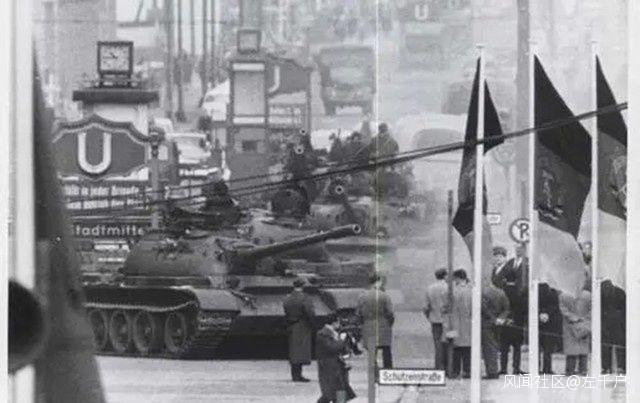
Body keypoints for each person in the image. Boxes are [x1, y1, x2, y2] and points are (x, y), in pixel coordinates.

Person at [492, 244, 528, 375]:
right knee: (514, 344)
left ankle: (504, 368)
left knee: (506, 344)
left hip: (507, 316)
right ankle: (514, 368)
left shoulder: (504, 290)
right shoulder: (518, 291)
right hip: (514, 317)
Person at [315, 314, 357, 403]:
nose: (339, 324)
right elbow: (332, 348)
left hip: (336, 366)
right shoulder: (323, 334)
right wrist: (341, 340)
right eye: (338, 322)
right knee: (333, 392)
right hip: (329, 366)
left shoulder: (332, 333)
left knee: (337, 391)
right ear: (334, 323)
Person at [356, 273, 395, 369]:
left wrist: (362, 325)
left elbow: (358, 313)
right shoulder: (384, 296)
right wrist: (389, 323)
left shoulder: (362, 296)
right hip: (383, 325)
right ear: (378, 282)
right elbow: (390, 313)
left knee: (372, 352)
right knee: (386, 351)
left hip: (368, 325)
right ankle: (388, 371)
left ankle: (373, 371)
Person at [283, 278, 316, 382]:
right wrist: (313, 324)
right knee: (301, 351)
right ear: (303, 286)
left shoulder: (288, 297)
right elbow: (309, 312)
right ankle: (298, 375)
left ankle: (295, 374)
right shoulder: (305, 298)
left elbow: (285, 309)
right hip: (302, 325)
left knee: (294, 351)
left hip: (291, 324)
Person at [559, 282, 591, 375]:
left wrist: (572, 317)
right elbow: (592, 309)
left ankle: (570, 370)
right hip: (584, 323)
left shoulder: (563, 295)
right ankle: (583, 369)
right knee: (583, 347)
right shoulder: (588, 295)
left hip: (570, 324)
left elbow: (563, 309)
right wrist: (585, 319)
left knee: (571, 348)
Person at [481, 276, 510, 379]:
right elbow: (506, 308)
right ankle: (493, 369)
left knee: (488, 348)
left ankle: (491, 371)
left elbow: (484, 308)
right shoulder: (502, 293)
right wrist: (500, 318)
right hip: (498, 324)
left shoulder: (483, 292)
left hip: (486, 323)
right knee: (494, 346)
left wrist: (493, 319)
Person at [445, 269, 472, 378]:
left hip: (456, 322)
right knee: (467, 349)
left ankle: (456, 371)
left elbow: (449, 307)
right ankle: (467, 370)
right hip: (467, 323)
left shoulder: (455, 291)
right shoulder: (471, 290)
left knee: (456, 348)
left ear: (458, 278)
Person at [424, 268, 449, 371]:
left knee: (437, 344)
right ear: (445, 276)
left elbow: (426, 307)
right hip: (447, 320)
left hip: (434, 320)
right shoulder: (448, 288)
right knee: (448, 343)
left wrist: (429, 316)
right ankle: (448, 367)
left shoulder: (430, 288)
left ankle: (438, 366)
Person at [601, 279, 626, 374]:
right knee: (609, 346)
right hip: (613, 322)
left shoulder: (619, 293)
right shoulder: (619, 292)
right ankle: (616, 367)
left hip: (614, 322)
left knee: (614, 346)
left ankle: (614, 367)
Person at [538, 282, 562, 374]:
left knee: (537, 346)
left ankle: (536, 367)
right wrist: (548, 313)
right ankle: (547, 368)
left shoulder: (536, 291)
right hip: (551, 323)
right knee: (548, 348)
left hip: (538, 322)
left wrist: (540, 313)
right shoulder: (553, 292)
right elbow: (555, 306)